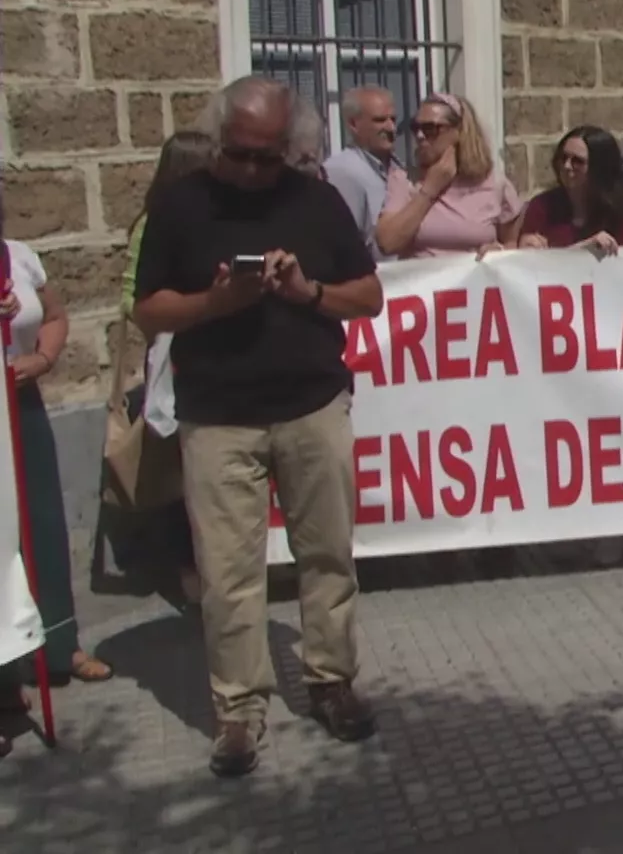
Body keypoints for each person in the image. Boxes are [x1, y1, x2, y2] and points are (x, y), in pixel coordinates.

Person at [132, 75, 385, 777]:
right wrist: (215, 303)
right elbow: (148, 311)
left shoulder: (317, 200)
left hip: (310, 405)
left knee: (327, 554)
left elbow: (368, 296)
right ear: (218, 142)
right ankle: (239, 711)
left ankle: (332, 681)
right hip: (217, 417)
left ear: (294, 148)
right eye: (238, 154)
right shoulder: (181, 205)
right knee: (228, 573)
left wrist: (309, 292)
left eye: (267, 157)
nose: (250, 170)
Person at [0, 211, 115, 734]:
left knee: (43, 524)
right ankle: (5, 680)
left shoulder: (19, 255)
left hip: (21, 405)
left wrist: (43, 359)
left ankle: (59, 646)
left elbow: (53, 315)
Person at [119, 130, 218, 601]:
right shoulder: (153, 225)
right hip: (171, 360)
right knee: (184, 470)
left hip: (210, 355)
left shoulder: (212, 217)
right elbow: (131, 298)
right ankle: (188, 572)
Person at [375, 93, 525, 259]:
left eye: (430, 129)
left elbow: (512, 243)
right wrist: (430, 189)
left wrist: (499, 252)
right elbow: (387, 243)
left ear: (459, 132)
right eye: (415, 128)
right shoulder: (403, 180)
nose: (420, 136)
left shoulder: (494, 183)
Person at [518, 126, 623, 255]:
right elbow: (531, 264)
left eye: (577, 161)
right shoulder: (542, 207)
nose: (567, 166)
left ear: (599, 167)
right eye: (563, 158)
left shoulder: (617, 210)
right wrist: (585, 249)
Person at [326, 86, 400, 257]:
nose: (391, 128)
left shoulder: (398, 169)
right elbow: (345, 246)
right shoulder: (342, 172)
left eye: (393, 119)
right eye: (380, 120)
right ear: (353, 124)